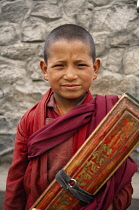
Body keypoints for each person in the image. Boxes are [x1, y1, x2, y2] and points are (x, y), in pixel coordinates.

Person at [4, 24, 137, 210]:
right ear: (44, 69)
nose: (70, 75)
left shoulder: (110, 115)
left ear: (95, 68)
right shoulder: (31, 119)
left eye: (81, 65)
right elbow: (16, 180)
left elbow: (122, 177)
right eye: (59, 66)